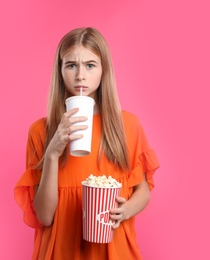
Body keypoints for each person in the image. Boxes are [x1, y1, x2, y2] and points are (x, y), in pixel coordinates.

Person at [14, 27, 160, 259]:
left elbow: (143, 190)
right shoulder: (40, 132)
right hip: (62, 250)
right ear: (60, 71)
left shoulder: (128, 126)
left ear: (104, 70)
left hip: (114, 249)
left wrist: (124, 211)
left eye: (90, 65)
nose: (80, 75)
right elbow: (44, 216)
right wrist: (51, 153)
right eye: (71, 65)